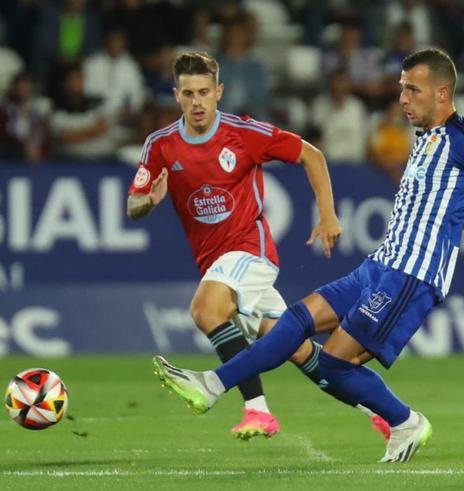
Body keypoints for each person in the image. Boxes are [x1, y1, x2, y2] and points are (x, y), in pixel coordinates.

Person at [152, 48, 464, 462]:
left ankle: (405, 421)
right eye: (401, 88)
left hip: (409, 275)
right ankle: (211, 386)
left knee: (332, 362)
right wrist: (455, 222)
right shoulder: (424, 136)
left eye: (412, 89)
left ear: (442, 93)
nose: (402, 98)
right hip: (379, 264)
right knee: (296, 321)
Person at [127, 51, 390, 442]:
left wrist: (328, 214)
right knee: (297, 349)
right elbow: (133, 205)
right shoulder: (161, 145)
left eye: (204, 92)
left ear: (218, 92)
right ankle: (386, 413)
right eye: (188, 94)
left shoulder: (243, 133)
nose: (197, 102)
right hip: (216, 262)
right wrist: (150, 200)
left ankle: (257, 410)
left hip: (252, 252)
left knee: (205, 308)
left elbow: (311, 155)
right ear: (176, 95)